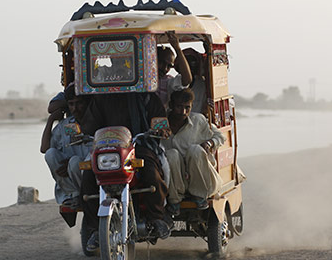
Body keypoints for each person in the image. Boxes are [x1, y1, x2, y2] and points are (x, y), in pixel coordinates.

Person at [79, 91, 171, 250]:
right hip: (107, 150)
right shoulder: (102, 98)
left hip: (140, 146)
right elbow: (89, 126)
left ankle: (156, 218)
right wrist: (82, 134)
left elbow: (162, 124)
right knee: (88, 177)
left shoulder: (148, 98)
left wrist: (160, 130)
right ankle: (94, 229)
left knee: (152, 173)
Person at [163, 89, 225, 213]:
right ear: (171, 106)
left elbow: (220, 137)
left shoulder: (198, 120)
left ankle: (199, 195)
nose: (183, 112)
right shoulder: (161, 123)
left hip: (200, 177)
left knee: (195, 150)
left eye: (187, 108)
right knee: (171, 154)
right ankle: (175, 200)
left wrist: (209, 143)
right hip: (176, 180)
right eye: (179, 107)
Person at [40, 84, 91, 207]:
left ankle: (85, 193)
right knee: (51, 154)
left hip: (91, 173)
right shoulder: (68, 125)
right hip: (72, 175)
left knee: (74, 162)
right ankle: (73, 194)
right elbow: (44, 149)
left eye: (79, 103)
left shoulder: (95, 121)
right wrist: (51, 120)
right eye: (71, 104)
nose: (75, 108)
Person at [157, 31, 192, 107]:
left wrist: (177, 49)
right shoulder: (141, 78)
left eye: (169, 66)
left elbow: (187, 80)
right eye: (161, 63)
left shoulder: (168, 82)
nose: (165, 69)